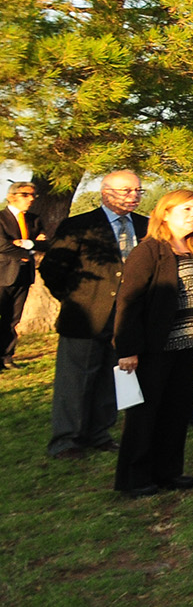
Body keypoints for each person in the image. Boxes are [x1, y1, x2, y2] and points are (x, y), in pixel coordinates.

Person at [111, 190, 193, 498]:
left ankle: (169, 471)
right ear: (164, 213)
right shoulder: (150, 250)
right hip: (155, 348)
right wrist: (127, 350)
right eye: (186, 209)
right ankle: (135, 478)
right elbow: (129, 302)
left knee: (176, 410)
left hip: (188, 345)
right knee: (145, 414)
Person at [41, 168, 144, 458]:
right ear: (106, 192)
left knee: (113, 377)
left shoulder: (144, 226)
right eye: (127, 190)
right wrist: (76, 299)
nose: (134, 196)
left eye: (138, 191)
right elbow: (52, 268)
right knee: (76, 382)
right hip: (85, 318)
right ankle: (67, 440)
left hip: (125, 318)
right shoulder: (80, 225)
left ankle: (99, 433)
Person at [2, 180, 40, 369]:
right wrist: (30, 247)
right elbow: (2, 245)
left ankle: (6, 357)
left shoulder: (34, 219)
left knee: (13, 319)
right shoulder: (1, 218)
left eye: (33, 195)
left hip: (24, 275)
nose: (30, 199)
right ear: (12, 196)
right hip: (2, 275)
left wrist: (24, 243)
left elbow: (45, 243)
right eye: (25, 195)